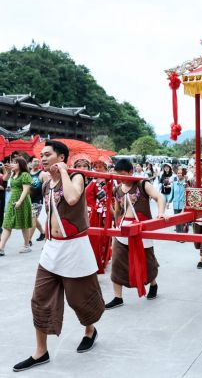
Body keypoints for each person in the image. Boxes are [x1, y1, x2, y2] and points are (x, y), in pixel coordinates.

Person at [13, 140, 103, 372]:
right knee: (39, 299)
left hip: (75, 249)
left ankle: (90, 330)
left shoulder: (76, 178)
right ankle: (40, 351)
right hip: (52, 251)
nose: (41, 158)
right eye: (40, 155)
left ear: (61, 157)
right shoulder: (46, 184)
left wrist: (64, 172)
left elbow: (72, 199)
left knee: (79, 300)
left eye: (47, 154)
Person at [105, 159, 166, 309]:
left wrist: (161, 213)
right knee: (117, 261)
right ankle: (117, 297)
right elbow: (118, 210)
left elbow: (159, 197)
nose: (120, 177)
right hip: (123, 229)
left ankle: (153, 284)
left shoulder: (142, 184)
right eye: (117, 174)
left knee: (147, 259)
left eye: (123, 174)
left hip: (142, 227)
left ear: (131, 172)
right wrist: (111, 215)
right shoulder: (117, 189)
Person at [0, 157, 33, 255]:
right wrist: (8, 171)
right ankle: (1, 248)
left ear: (21, 164)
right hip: (12, 200)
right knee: (7, 224)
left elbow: (26, 190)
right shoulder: (13, 174)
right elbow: (4, 178)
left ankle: (27, 245)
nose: (12, 164)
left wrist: (19, 201)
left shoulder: (25, 174)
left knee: (24, 224)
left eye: (15, 163)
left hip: (22, 200)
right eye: (12, 162)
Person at [29, 158, 48, 245]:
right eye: (34, 161)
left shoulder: (42, 174)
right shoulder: (27, 173)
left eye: (38, 161)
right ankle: (43, 232)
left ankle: (28, 240)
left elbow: (47, 187)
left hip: (38, 200)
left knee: (33, 219)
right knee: (34, 219)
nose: (36, 163)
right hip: (28, 200)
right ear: (30, 163)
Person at [169, 167, 187, 232]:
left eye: (181, 173)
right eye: (178, 173)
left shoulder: (186, 183)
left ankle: (183, 236)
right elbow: (172, 193)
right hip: (175, 204)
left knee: (183, 221)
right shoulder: (174, 183)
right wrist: (168, 202)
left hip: (183, 205)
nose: (179, 174)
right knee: (176, 221)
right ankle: (178, 235)